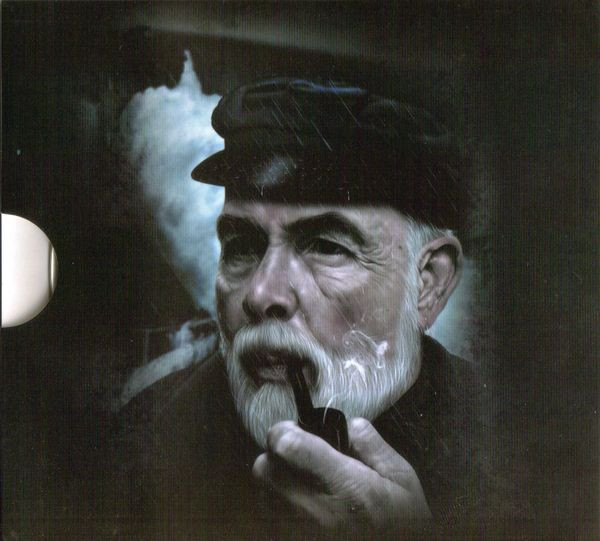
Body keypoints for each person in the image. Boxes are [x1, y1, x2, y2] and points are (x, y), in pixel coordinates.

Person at [116, 78, 487, 539]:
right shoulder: (144, 440)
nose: (261, 294)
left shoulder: (514, 447)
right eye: (241, 247)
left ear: (427, 284)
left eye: (327, 246)